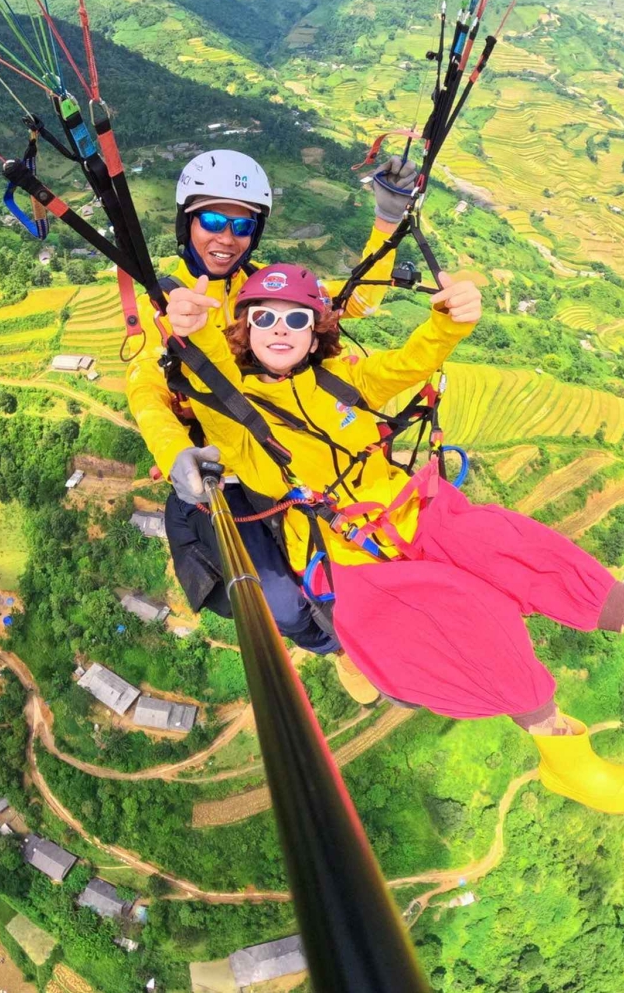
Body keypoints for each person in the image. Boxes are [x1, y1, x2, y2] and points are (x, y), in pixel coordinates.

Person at [164, 260, 624, 815]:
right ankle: (562, 753)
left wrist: (448, 320)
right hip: (352, 556)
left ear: (315, 328)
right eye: (262, 316)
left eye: (295, 316)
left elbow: (407, 362)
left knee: (522, 549)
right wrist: (192, 333)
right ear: (242, 328)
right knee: (471, 616)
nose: (279, 327)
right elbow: (210, 391)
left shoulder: (343, 379)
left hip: (419, 513)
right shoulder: (238, 409)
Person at [126, 149, 417, 701]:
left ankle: (381, 635)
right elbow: (145, 385)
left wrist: (388, 219)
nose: (226, 237)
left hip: (290, 447)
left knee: (359, 550)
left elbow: (354, 301)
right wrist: (173, 454)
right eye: (213, 219)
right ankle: (338, 649)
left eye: (242, 225)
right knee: (282, 603)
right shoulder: (163, 300)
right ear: (187, 221)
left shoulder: (268, 286)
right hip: (224, 470)